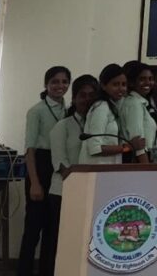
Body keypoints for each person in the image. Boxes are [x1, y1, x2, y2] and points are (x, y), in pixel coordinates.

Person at [19, 65, 70, 276]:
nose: (60, 86)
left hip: (60, 167)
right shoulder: (37, 111)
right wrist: (35, 183)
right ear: (46, 84)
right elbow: (29, 149)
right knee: (33, 227)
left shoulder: (69, 111)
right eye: (55, 82)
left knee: (53, 227)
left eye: (64, 82)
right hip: (39, 167)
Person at [46, 74, 97, 276]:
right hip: (62, 192)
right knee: (59, 241)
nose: (87, 99)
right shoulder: (63, 126)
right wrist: (78, 182)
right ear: (74, 98)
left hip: (89, 192)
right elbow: (60, 162)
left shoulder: (97, 126)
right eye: (82, 95)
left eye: (92, 95)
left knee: (83, 241)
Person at [84, 64, 137, 165]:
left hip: (110, 168)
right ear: (103, 85)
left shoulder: (114, 106)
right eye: (115, 84)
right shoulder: (101, 107)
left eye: (123, 84)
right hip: (96, 168)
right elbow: (95, 148)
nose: (121, 88)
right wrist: (128, 147)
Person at [120, 61, 157, 164]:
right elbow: (138, 143)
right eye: (142, 79)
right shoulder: (134, 103)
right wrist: (146, 168)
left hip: (144, 156)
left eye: (150, 79)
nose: (148, 83)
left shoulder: (141, 103)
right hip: (137, 160)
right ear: (132, 82)